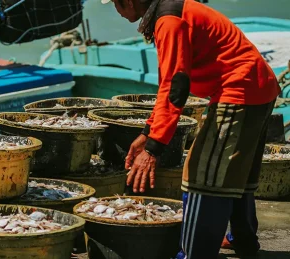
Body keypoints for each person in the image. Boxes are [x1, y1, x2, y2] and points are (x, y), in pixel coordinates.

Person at [102, 0, 281, 258]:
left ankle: (192, 253)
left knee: (201, 176)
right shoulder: (168, 10)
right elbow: (169, 82)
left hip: (240, 90)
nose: (117, 13)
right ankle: (243, 240)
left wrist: (154, 148)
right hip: (258, 84)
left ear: (128, 2)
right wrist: (147, 131)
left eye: (116, 6)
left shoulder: (169, 20)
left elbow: (176, 86)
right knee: (235, 173)